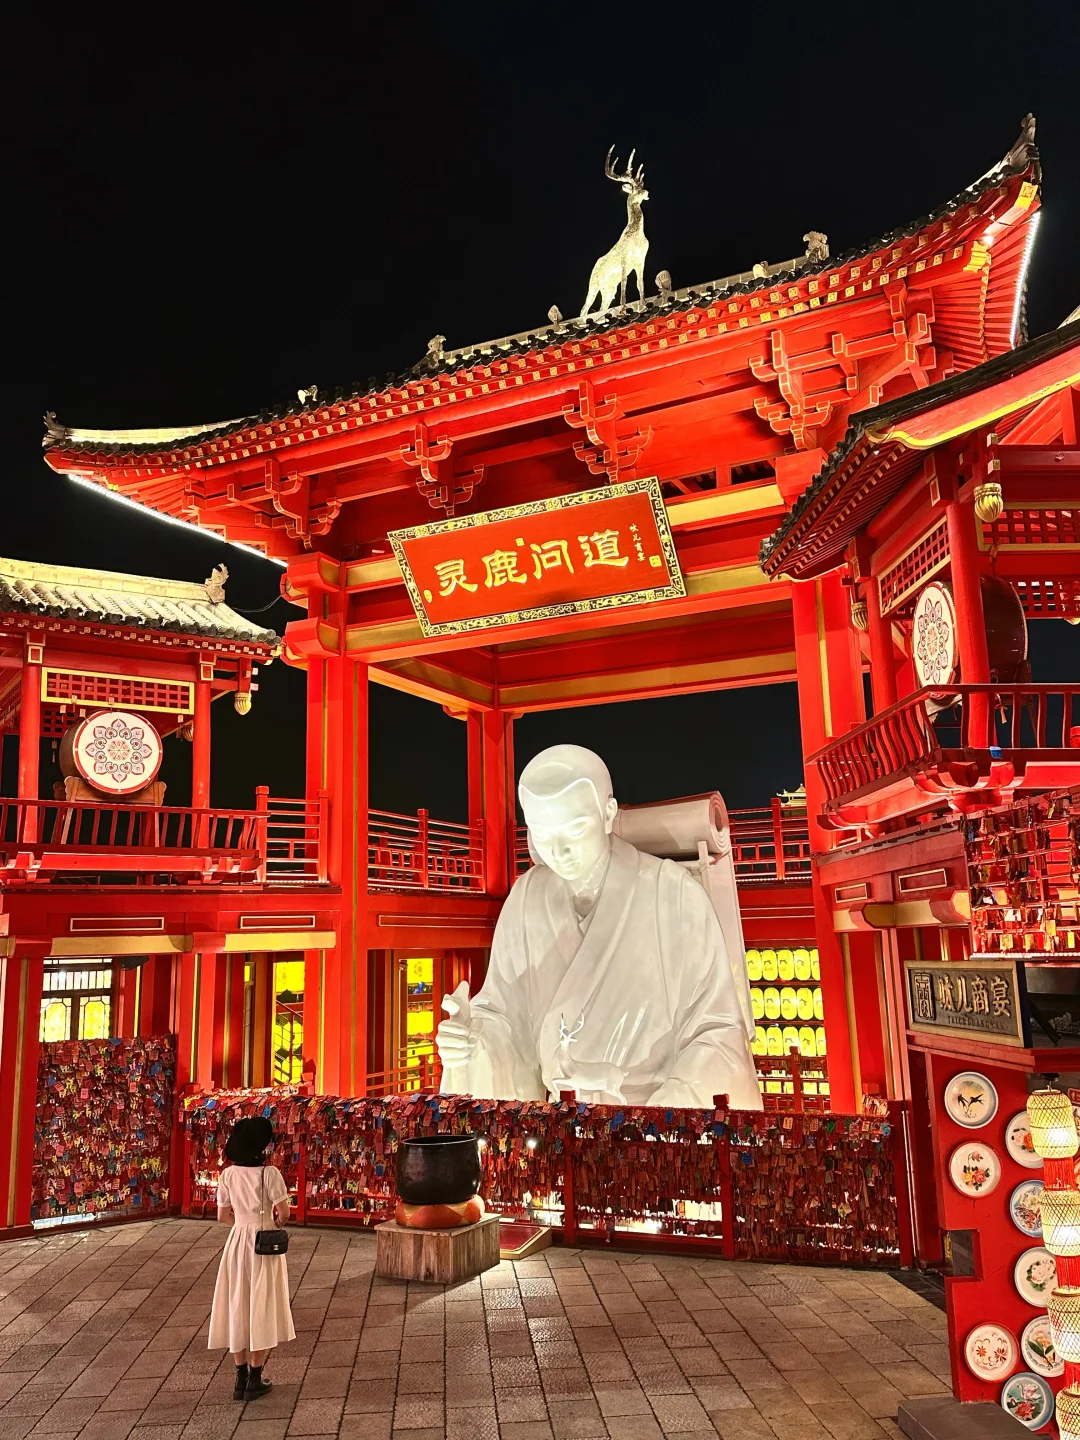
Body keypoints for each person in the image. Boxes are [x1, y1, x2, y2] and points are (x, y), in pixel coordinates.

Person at [437, 744, 762, 1110]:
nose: (559, 850)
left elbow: (717, 1033)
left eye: (575, 829)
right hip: (558, 1119)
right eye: (542, 834)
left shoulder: (673, 895)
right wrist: (472, 1041)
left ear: (608, 814)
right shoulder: (526, 898)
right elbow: (506, 1019)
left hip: (650, 1116)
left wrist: (666, 1114)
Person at [207, 1115, 295, 1401]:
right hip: (263, 1243)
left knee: (237, 1301)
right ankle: (255, 1378)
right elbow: (284, 1213)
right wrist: (271, 1224)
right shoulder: (269, 1174)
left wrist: (242, 1223)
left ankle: (240, 1377)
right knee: (261, 1302)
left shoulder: (228, 1175)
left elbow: (222, 1217)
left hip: (237, 1242)